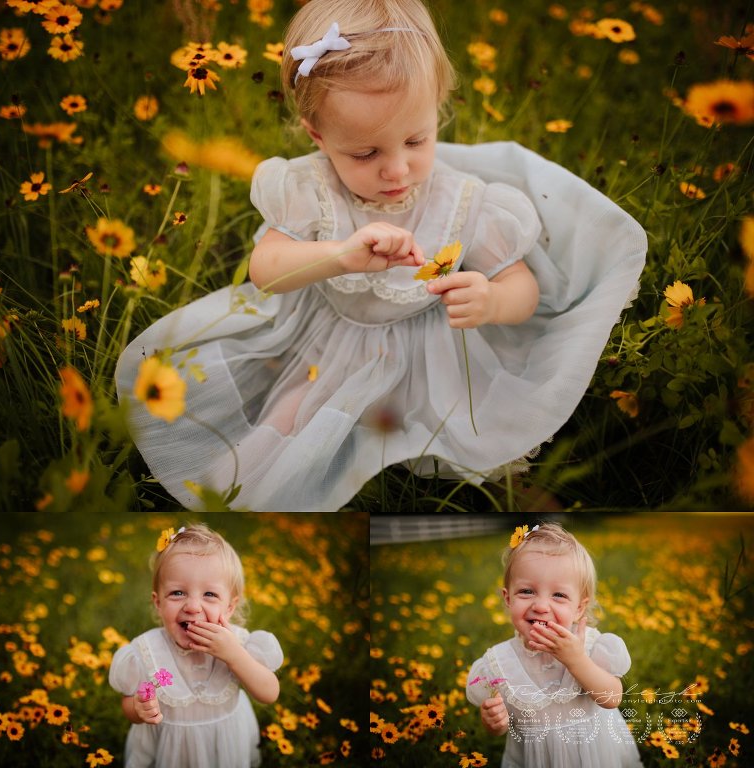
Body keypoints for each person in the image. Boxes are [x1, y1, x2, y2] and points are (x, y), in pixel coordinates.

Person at [114, 0, 646, 512]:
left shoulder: (464, 202)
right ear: (318, 136)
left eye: (416, 141)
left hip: (429, 349)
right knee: (291, 415)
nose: (396, 170)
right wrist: (338, 256)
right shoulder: (311, 189)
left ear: (437, 111)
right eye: (366, 153)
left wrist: (491, 299)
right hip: (328, 339)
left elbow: (522, 288)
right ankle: (232, 493)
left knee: (472, 435)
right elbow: (265, 272)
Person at [465, 522, 643, 767]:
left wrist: (576, 660)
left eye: (558, 595)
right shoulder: (500, 663)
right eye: (526, 591)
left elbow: (612, 699)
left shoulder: (590, 646)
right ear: (508, 598)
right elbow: (499, 728)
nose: (540, 606)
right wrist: (494, 722)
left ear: (579, 608)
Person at [109, 524, 283, 768]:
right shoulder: (147, 652)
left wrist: (235, 656)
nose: (192, 607)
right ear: (158, 603)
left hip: (223, 747)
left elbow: (269, 693)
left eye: (209, 595)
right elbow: (128, 704)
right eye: (177, 593)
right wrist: (138, 709)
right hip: (169, 750)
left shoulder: (239, 644)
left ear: (229, 607)